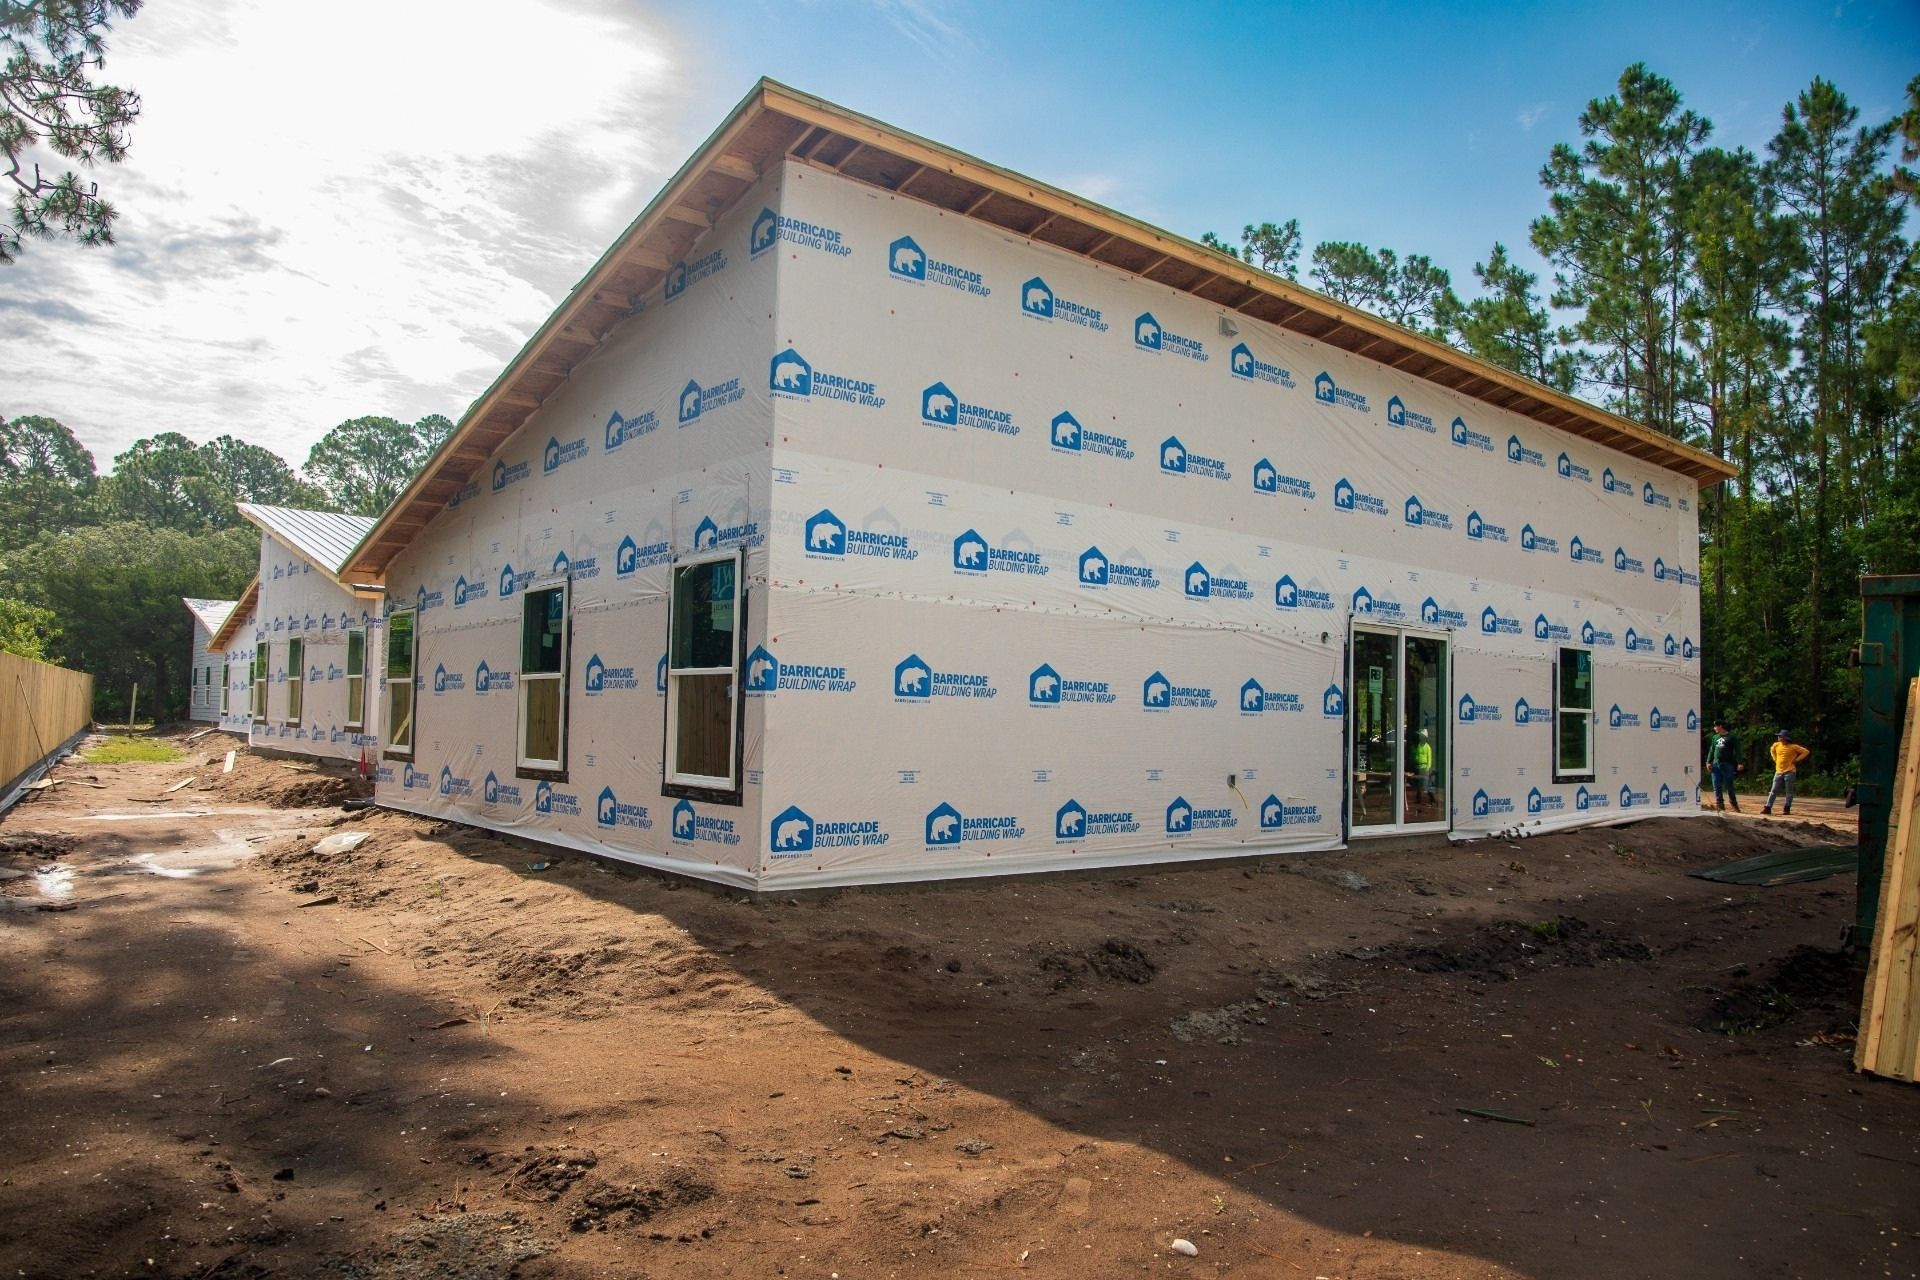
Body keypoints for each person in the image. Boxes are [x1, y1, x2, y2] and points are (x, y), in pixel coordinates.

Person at [1762, 730, 1810, 816]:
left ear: (1785, 738)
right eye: (1778, 736)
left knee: (1789, 791)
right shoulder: (1776, 745)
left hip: (1790, 771)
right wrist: (1775, 759)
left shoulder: (1793, 747)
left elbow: (1806, 751)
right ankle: (1768, 807)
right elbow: (1772, 750)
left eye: (1780, 736)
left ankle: (1787, 808)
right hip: (1778, 772)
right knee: (1773, 790)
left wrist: (1797, 760)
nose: (1778, 737)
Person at [1706, 721, 1743, 812]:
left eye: (1715, 726)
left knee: (1729, 785)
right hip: (1716, 764)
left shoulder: (1731, 737)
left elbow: (1738, 750)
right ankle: (1720, 804)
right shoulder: (1715, 737)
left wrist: (1740, 762)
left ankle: (1733, 803)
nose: (1714, 728)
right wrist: (1708, 762)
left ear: (1720, 726)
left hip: (1727, 764)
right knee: (1716, 785)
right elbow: (1712, 750)